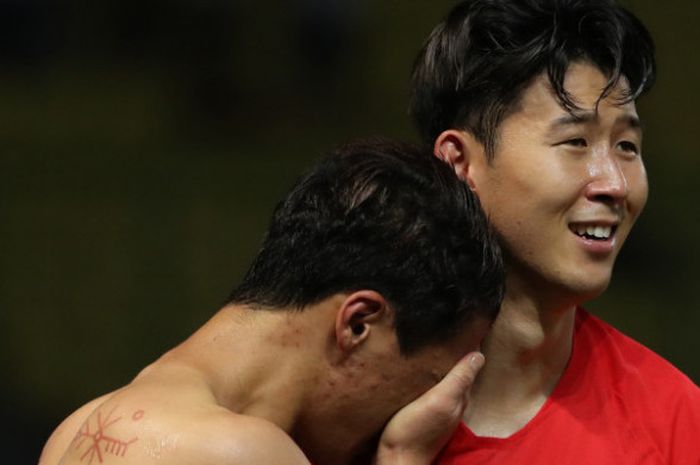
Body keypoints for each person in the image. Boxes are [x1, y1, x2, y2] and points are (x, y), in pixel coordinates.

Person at [37, 139, 505, 465]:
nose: (421, 412)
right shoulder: (239, 453)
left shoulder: (75, 429)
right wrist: (403, 458)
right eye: (427, 384)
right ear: (359, 323)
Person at [407, 0, 700, 463]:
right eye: (575, 142)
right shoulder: (348, 401)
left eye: (627, 146)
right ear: (460, 163)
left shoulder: (676, 422)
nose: (615, 185)